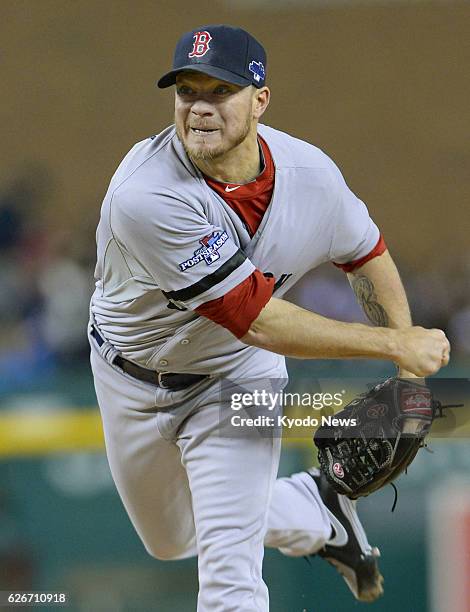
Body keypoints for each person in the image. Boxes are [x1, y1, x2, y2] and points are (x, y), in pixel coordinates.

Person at [89, 25, 450, 611]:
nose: (199, 108)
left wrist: (407, 369)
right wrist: (395, 343)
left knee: (230, 581)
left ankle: (309, 513)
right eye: (187, 92)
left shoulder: (310, 175)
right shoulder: (146, 193)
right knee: (171, 540)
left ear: (261, 100)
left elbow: (366, 254)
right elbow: (255, 318)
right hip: (129, 376)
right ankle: (315, 507)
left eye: (220, 91)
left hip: (236, 378)